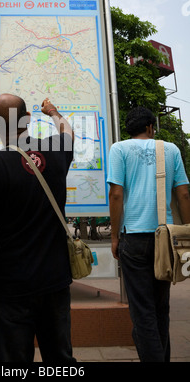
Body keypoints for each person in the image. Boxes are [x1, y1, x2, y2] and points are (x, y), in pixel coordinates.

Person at [0, 94, 76, 363]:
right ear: (27, 119)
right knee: (61, 360)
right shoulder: (57, 152)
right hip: (55, 282)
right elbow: (67, 130)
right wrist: (53, 112)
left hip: (10, 288)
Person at [107, 106, 190, 362]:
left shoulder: (118, 149)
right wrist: (187, 234)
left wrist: (114, 236)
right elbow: (184, 193)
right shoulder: (171, 149)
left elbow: (116, 194)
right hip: (165, 238)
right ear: (150, 127)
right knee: (160, 307)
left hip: (133, 238)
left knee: (142, 312)